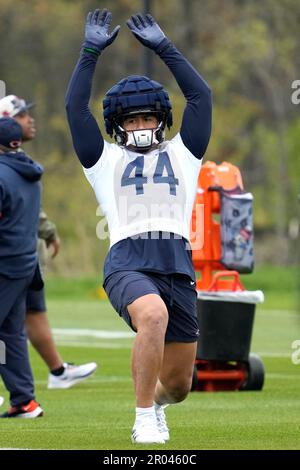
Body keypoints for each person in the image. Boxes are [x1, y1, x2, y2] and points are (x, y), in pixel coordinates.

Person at [65, 9, 212, 443]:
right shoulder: (104, 160)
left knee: (181, 386)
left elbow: (201, 96)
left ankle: (160, 404)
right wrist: (90, 51)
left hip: (177, 263)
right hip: (128, 259)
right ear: (118, 125)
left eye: (148, 117)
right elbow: (74, 108)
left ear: (161, 119)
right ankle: (143, 417)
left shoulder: (185, 153)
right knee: (152, 314)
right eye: (131, 120)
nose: (141, 125)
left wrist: (165, 48)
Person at [0, 95, 97, 389]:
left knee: (27, 316)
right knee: (13, 326)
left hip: (19, 258)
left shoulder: (20, 164)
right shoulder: (17, 166)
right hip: (16, 258)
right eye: (21, 116)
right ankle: (35, 387)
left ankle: (50, 377)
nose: (30, 120)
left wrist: (48, 232)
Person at [0, 117, 44, 418]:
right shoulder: (27, 168)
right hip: (25, 263)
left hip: (5, 264)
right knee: (11, 333)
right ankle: (24, 401)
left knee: (11, 332)